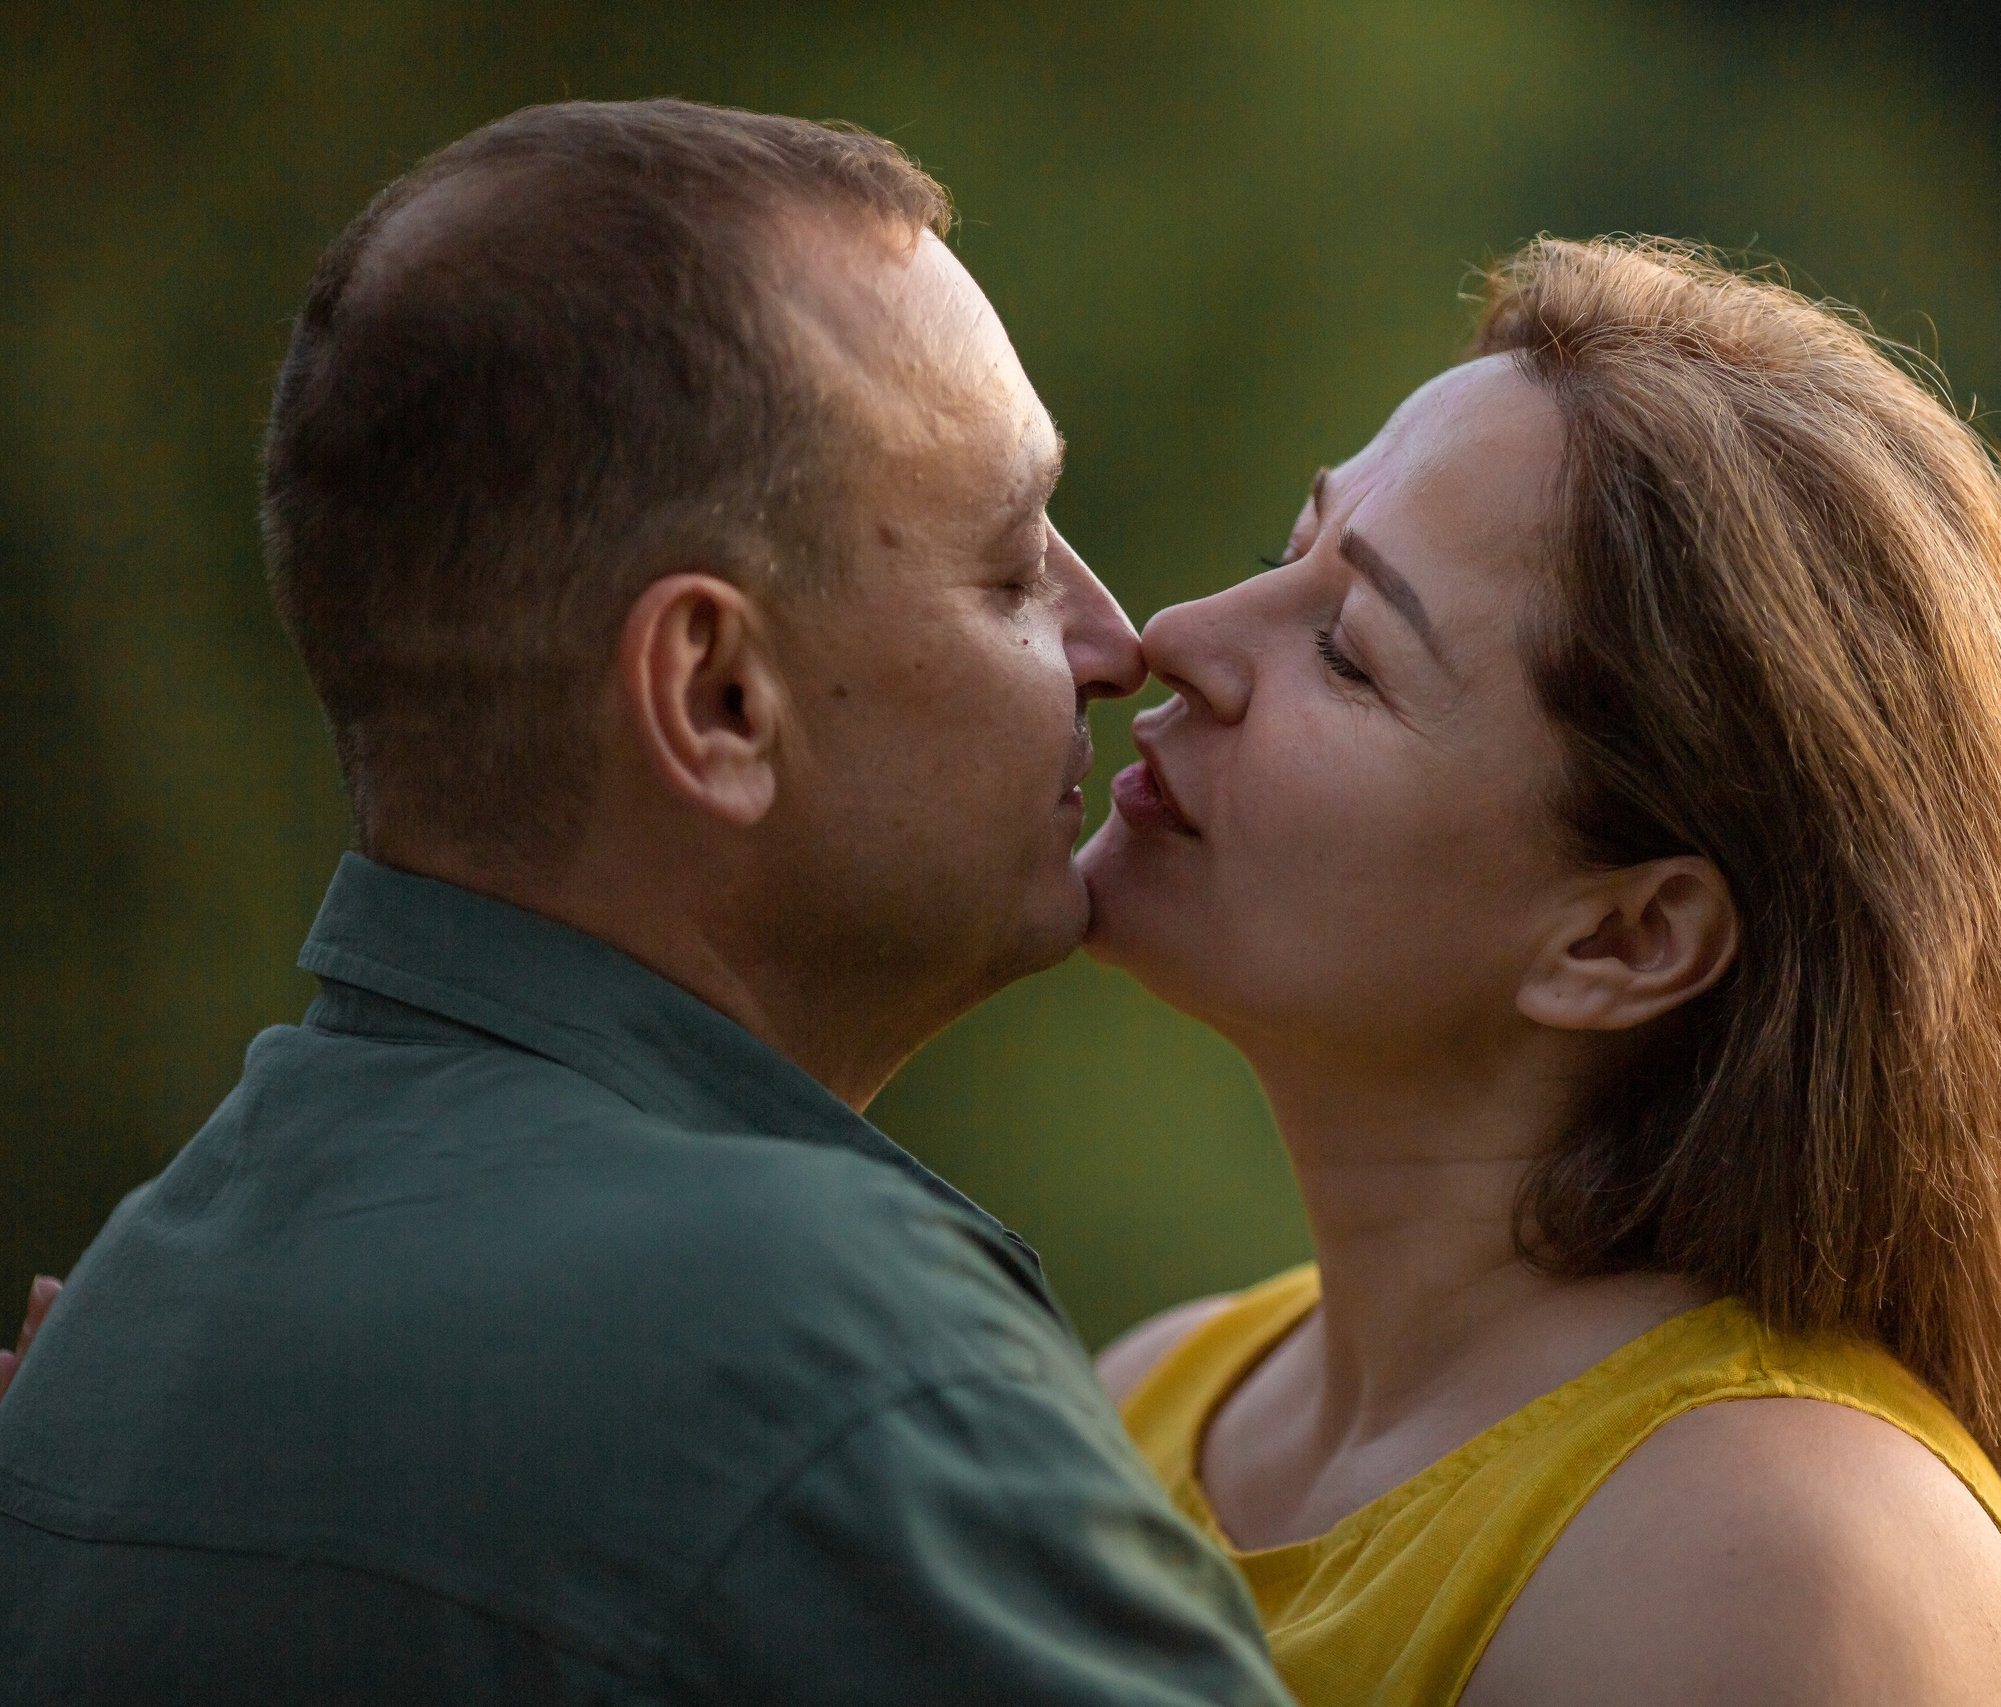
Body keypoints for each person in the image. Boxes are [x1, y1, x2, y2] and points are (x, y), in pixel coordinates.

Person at [0, 101, 1293, 1706]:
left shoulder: (134, 1321)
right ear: (716, 698)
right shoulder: (836, 1376)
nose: (1118, 642)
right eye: (1014, 565)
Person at [1085, 239, 2001, 1705]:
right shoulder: (1140, 1403)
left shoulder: (1778, 1560)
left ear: (1622, 941)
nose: (1176, 638)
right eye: (1294, 548)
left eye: (1351, 652)